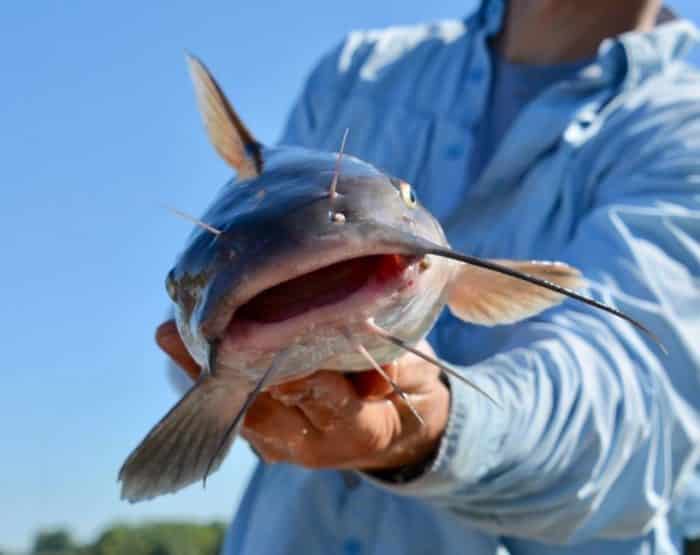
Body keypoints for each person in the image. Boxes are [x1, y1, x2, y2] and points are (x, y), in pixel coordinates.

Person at [157, 0, 700, 553]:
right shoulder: (357, 71)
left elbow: (640, 416)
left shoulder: (688, 119)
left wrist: (434, 428)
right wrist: (224, 372)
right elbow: (213, 296)